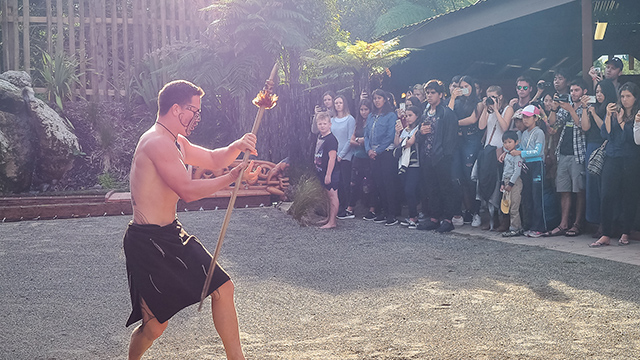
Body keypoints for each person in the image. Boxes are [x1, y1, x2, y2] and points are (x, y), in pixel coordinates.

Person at [124, 80, 259, 360]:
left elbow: (212, 158)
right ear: (176, 109)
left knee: (223, 287)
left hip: (172, 233)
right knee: (155, 327)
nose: (197, 117)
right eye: (193, 111)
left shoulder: (176, 141)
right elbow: (186, 191)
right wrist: (234, 177)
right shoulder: (156, 142)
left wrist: (237, 146)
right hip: (147, 243)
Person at [590, 82, 640, 247]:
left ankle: (625, 232)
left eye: (628, 96)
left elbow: (633, 139)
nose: (624, 100)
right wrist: (608, 115)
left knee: (629, 196)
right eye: (622, 96)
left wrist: (621, 123)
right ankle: (605, 233)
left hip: (631, 159)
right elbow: (605, 133)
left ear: (635, 98)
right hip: (612, 156)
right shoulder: (615, 111)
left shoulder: (637, 114)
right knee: (606, 195)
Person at [408, 79, 459, 232]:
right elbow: (419, 136)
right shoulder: (424, 113)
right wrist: (421, 134)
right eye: (428, 93)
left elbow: (451, 138)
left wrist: (445, 155)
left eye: (433, 93)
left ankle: (448, 219)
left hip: (442, 157)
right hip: (427, 156)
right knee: (431, 189)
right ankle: (434, 218)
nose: (429, 96)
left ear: (441, 95)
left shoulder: (447, 113)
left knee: (445, 188)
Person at [545, 78, 588, 237]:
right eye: (571, 91)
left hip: (578, 154)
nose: (573, 93)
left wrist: (571, 110)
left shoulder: (587, 106)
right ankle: (563, 224)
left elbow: (584, 127)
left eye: (577, 90)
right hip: (562, 153)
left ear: (584, 92)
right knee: (564, 190)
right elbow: (552, 124)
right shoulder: (566, 106)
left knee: (579, 190)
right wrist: (554, 109)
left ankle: (577, 224)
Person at [581, 79, 617, 236]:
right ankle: (593, 221)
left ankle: (606, 223)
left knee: (604, 186)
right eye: (597, 92)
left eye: (602, 92)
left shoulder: (612, 108)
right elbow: (585, 127)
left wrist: (595, 114)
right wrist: (585, 109)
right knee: (591, 185)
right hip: (591, 144)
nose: (599, 95)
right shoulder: (592, 106)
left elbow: (606, 129)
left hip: (605, 146)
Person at [450, 75, 483, 226]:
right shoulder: (456, 102)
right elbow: (447, 114)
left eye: (467, 86)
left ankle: (477, 211)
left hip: (472, 139)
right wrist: (452, 97)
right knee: (459, 177)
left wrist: (454, 124)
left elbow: (472, 119)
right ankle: (468, 210)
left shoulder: (479, 103)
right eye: (461, 86)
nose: (464, 89)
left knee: (471, 178)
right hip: (458, 141)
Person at [510, 105, 547, 238]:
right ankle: (530, 225)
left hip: (537, 164)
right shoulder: (524, 133)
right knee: (528, 196)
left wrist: (520, 152)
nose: (525, 119)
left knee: (537, 197)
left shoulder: (539, 132)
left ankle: (540, 227)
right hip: (527, 166)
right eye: (523, 117)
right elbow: (520, 147)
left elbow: (538, 151)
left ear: (536, 118)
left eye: (528, 117)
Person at [365, 89, 400, 225]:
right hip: (372, 154)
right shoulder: (371, 116)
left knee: (388, 183)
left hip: (385, 153)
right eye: (375, 98)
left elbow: (390, 136)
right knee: (378, 183)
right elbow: (366, 135)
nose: (377, 101)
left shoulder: (391, 116)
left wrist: (377, 151)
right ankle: (384, 211)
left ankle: (392, 213)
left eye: (379, 98)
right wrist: (368, 150)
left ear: (385, 100)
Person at [477, 85, 509, 230]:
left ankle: (501, 218)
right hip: (487, 152)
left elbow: (505, 128)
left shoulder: (508, 109)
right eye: (489, 96)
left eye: (494, 97)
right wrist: (486, 108)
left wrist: (496, 109)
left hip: (500, 152)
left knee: (498, 186)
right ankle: (490, 217)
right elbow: (481, 126)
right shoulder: (487, 110)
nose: (491, 99)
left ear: (500, 97)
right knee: (485, 184)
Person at [347, 99, 376, 220]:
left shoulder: (373, 122)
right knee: (354, 183)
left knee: (370, 183)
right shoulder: (358, 123)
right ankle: (350, 207)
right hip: (358, 156)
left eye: (366, 109)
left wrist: (363, 141)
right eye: (362, 109)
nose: (364, 112)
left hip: (369, 157)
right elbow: (351, 140)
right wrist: (360, 141)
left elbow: (372, 138)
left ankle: (372, 209)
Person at [394, 105, 421, 229]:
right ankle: (412, 215)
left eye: (410, 115)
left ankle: (414, 217)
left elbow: (409, 142)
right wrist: (397, 132)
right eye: (406, 116)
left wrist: (403, 141)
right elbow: (397, 144)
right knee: (406, 190)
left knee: (410, 190)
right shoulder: (405, 129)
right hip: (404, 163)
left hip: (415, 164)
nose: (408, 118)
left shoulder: (418, 128)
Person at [331, 95, 356, 219]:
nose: (338, 105)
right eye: (336, 103)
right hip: (333, 156)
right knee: (336, 182)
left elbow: (349, 139)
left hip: (345, 156)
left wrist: (341, 155)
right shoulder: (332, 120)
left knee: (345, 182)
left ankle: (347, 208)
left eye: (340, 102)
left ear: (344, 104)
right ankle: (338, 207)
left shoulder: (350, 119)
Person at [314, 112, 340, 229]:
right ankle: (328, 217)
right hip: (321, 170)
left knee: (333, 195)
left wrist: (328, 174)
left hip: (331, 172)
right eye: (320, 124)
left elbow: (332, 157)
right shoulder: (320, 137)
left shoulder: (331, 140)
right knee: (327, 196)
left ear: (330, 124)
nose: (322, 126)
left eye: (324, 124)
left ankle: (332, 221)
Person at [500, 131, 524, 237]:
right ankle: (514, 227)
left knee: (514, 206)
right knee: (508, 206)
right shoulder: (507, 155)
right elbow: (505, 170)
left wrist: (510, 184)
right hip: (506, 181)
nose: (507, 144)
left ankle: (516, 228)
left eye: (510, 142)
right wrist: (502, 183)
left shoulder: (517, 155)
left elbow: (517, 171)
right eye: (505, 142)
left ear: (516, 142)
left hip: (515, 183)